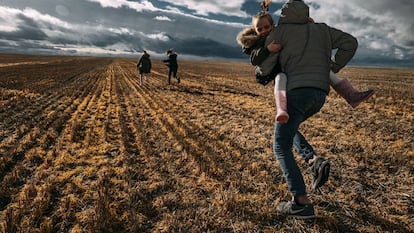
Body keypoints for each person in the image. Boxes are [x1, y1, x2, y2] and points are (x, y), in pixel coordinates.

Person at [248, 0, 362, 219]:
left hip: (295, 93)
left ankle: (301, 203)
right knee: (288, 129)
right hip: (319, 95)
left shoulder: (279, 33)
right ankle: (312, 160)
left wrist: (262, 75)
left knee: (280, 145)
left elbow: (265, 66)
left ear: (283, 15)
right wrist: (333, 66)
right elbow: (351, 42)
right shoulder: (321, 29)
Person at [236, 1, 374, 124]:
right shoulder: (257, 42)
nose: (263, 31)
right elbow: (254, 59)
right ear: (255, 31)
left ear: (273, 26)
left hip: (290, 66)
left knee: (324, 70)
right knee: (280, 79)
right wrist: (267, 49)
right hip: (276, 71)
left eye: (266, 27)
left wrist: (303, 23)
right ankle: (281, 109)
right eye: (259, 29)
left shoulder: (279, 32)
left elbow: (292, 31)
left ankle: (351, 95)